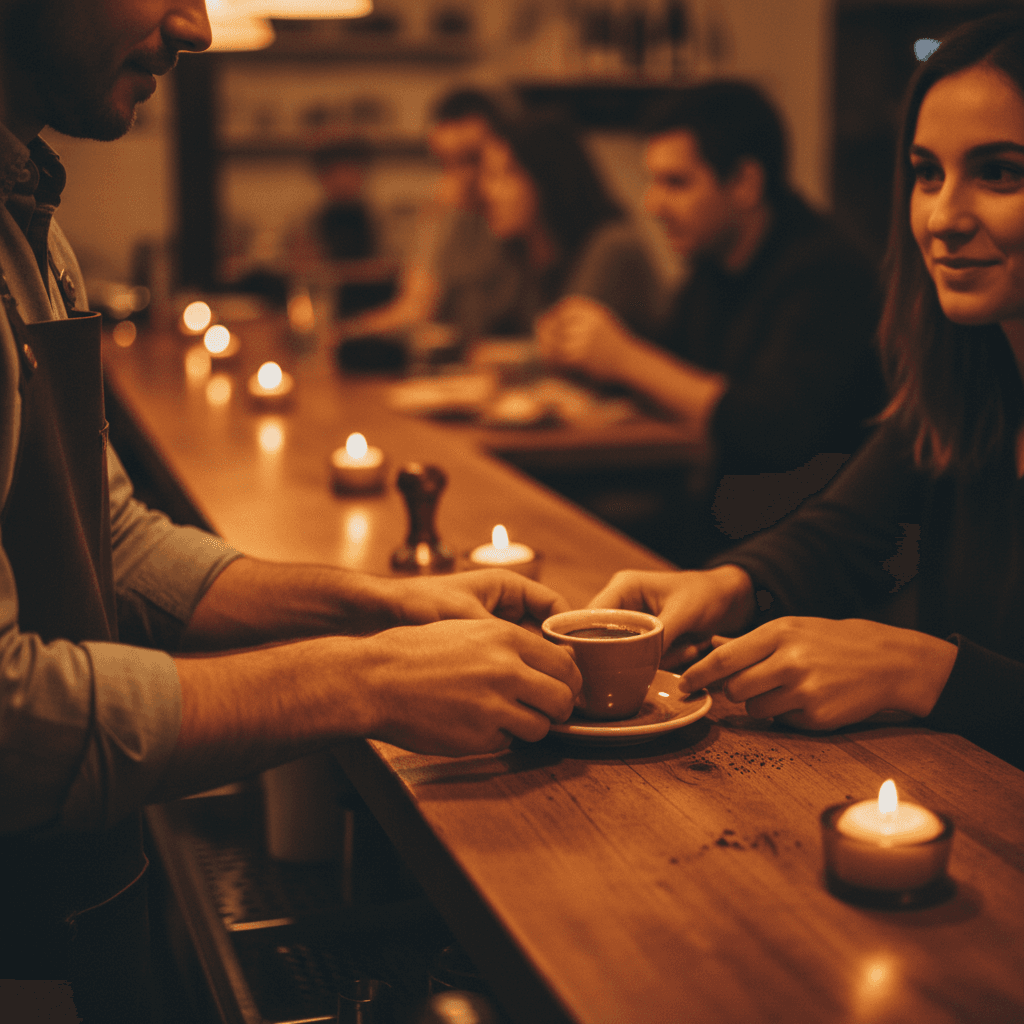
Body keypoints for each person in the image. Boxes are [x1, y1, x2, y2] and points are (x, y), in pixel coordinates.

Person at [0, 3, 580, 1018]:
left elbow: (117, 546)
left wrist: (386, 610)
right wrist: (361, 682)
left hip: (78, 888)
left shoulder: (26, 220)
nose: (199, 26)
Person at [589, 11, 1024, 772]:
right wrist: (725, 586)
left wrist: (922, 671)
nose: (944, 218)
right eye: (927, 173)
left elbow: (769, 429)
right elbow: (842, 532)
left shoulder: (818, 274)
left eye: (1000, 172)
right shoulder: (967, 378)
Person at [536, 81, 885, 566]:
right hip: (724, 534)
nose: (652, 205)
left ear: (744, 182)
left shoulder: (826, 273)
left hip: (808, 560)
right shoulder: (713, 268)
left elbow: (774, 431)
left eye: (675, 183)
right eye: (652, 182)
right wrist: (587, 356)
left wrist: (624, 358)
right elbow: (673, 372)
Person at [337, 88, 522, 344]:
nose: (456, 179)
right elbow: (415, 302)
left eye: (471, 160)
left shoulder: (515, 220)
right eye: (445, 164)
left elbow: (417, 310)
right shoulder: (447, 211)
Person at [477, 111, 665, 339]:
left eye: (505, 175)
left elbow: (561, 346)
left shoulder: (611, 247)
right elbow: (478, 328)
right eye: (488, 176)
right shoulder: (523, 252)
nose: (488, 192)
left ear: (547, 176)